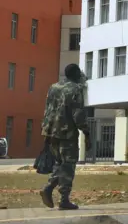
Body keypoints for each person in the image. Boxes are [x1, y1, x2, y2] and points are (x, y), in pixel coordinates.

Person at [40, 64, 91, 210]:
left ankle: (49, 189)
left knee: (59, 163)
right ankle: (62, 199)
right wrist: (86, 133)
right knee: (68, 165)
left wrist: (46, 131)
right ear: (75, 74)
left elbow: (48, 109)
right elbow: (78, 114)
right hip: (66, 133)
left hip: (51, 132)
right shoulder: (75, 89)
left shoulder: (53, 87)